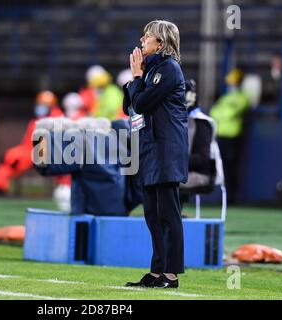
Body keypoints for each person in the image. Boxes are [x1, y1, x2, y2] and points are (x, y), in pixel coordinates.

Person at [122, 20, 188, 288]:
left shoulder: (169, 69)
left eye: (147, 36)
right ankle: (157, 270)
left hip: (166, 149)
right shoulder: (150, 70)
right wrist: (137, 78)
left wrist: (137, 78)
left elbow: (143, 102)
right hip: (150, 147)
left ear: (160, 43)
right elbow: (129, 105)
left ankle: (170, 275)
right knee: (151, 213)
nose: (141, 40)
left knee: (168, 214)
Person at [0, 90, 70, 195]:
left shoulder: (58, 119)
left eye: (44, 105)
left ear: (51, 106)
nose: (40, 107)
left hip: (48, 152)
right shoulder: (39, 119)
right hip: (32, 150)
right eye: (40, 104)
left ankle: (67, 189)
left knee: (64, 167)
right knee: (9, 157)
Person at [210, 68, 250, 203]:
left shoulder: (242, 98)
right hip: (221, 136)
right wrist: (224, 112)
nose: (231, 85)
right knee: (221, 167)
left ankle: (232, 197)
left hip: (233, 137)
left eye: (233, 83)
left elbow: (226, 114)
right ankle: (224, 196)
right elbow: (214, 113)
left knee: (232, 168)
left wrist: (223, 112)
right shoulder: (226, 98)